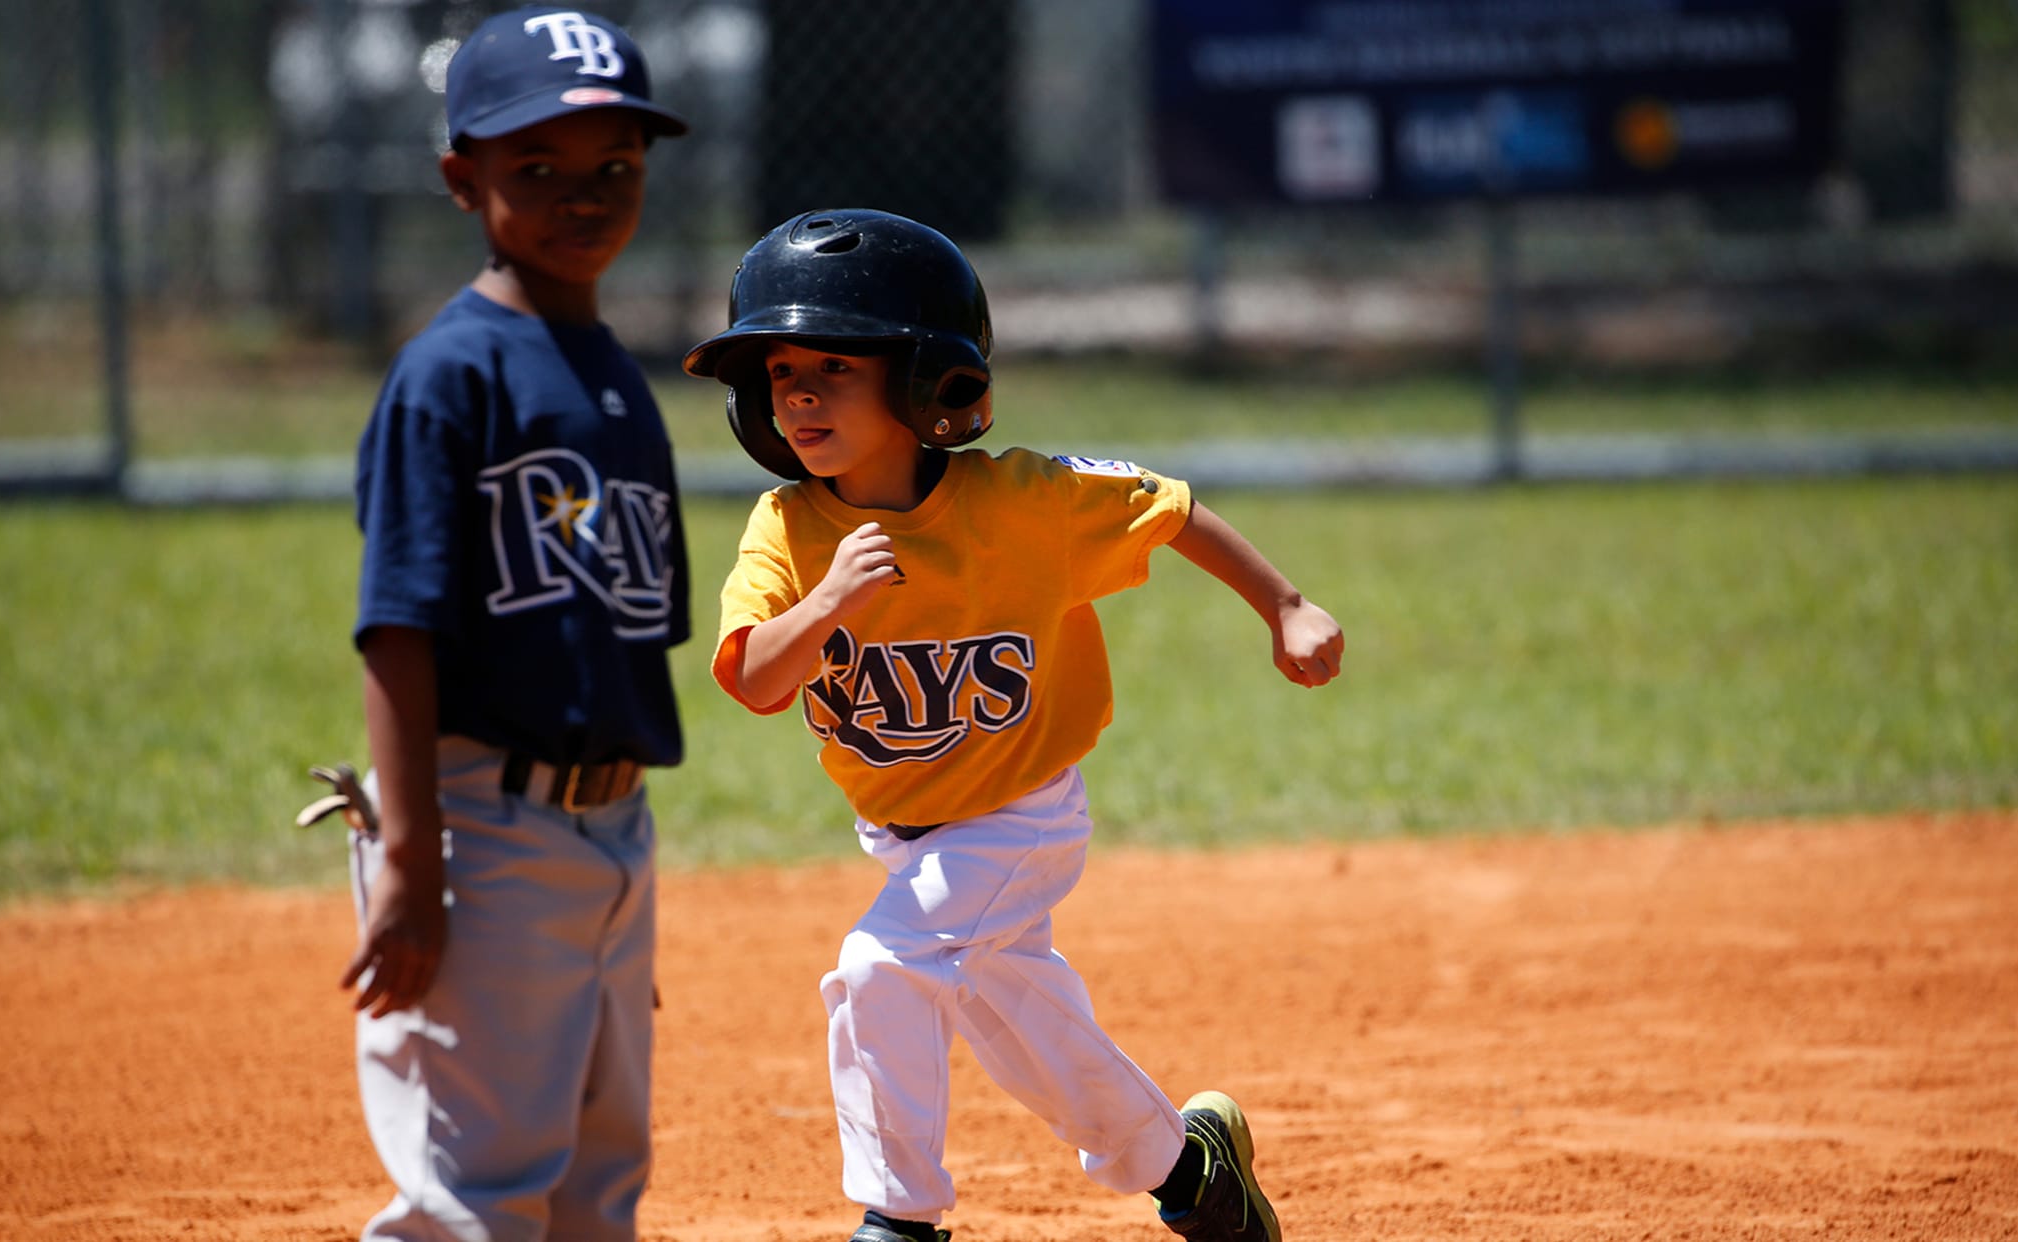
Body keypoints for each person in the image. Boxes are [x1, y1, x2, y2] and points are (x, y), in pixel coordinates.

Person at [681, 208, 1343, 1242]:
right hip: (904, 834)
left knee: (881, 969)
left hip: (1020, 814)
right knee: (1022, 1028)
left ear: (922, 379)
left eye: (835, 366)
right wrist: (826, 605)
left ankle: (900, 1218)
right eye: (779, 372)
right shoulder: (786, 529)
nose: (799, 392)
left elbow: (1166, 509)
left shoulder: (1023, 504)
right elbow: (758, 683)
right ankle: (1190, 1168)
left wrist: (1286, 604)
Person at [340, 8, 690, 1239]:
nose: (581, 195)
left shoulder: (609, 374)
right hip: (481, 830)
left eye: (614, 168)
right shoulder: (453, 374)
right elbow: (399, 627)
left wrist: (607, 907)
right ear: (461, 179)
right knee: (476, 1197)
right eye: (534, 166)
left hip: (609, 835)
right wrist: (413, 862)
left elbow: (618, 642)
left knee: (599, 1187)